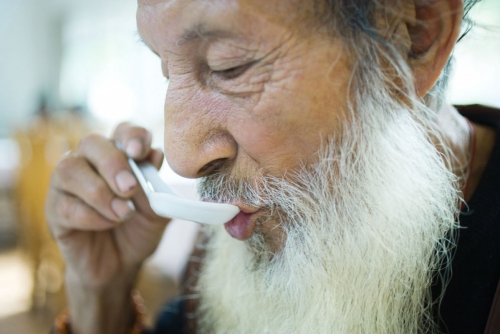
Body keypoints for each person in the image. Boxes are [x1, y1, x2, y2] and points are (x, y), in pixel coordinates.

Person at [45, 0, 500, 333]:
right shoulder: (253, 223)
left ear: (411, 35)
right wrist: (101, 294)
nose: (181, 157)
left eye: (229, 67)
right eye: (166, 70)